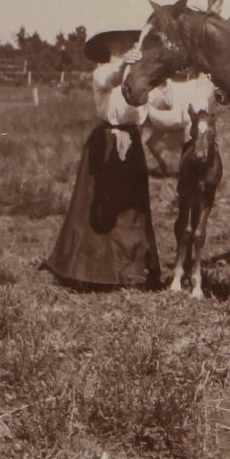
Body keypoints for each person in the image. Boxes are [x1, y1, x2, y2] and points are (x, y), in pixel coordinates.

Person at [44, 36, 161, 287]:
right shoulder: (103, 73)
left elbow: (162, 104)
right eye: (118, 44)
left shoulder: (138, 78)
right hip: (105, 143)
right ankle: (92, 271)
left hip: (131, 142)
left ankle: (132, 270)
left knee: (131, 208)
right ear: (108, 48)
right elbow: (111, 79)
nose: (125, 48)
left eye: (128, 43)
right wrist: (122, 67)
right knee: (97, 206)